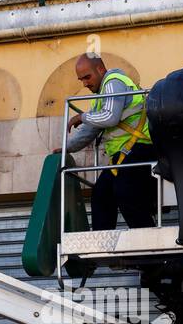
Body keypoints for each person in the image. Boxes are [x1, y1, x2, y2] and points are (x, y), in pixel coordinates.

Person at [56, 54, 157, 230]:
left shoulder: (113, 81)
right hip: (124, 154)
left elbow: (110, 117)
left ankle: (148, 240)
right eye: (81, 80)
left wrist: (82, 116)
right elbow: (91, 129)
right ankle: (101, 249)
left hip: (141, 149)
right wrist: (66, 148)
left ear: (100, 69)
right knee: (101, 194)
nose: (85, 84)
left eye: (87, 77)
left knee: (124, 190)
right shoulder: (102, 95)